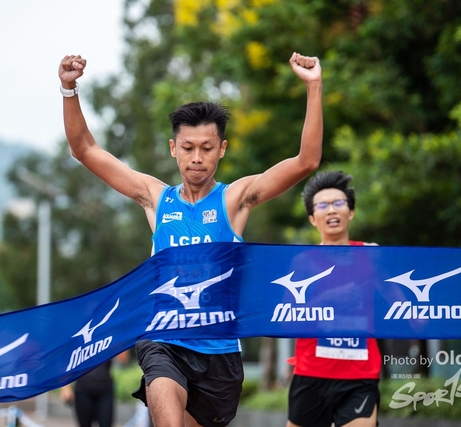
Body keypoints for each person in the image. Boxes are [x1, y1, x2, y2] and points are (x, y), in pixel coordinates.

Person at [58, 50, 323, 427]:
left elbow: (306, 162)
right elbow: (84, 149)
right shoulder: (155, 198)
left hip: (219, 353)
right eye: (187, 148)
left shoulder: (234, 199)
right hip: (163, 340)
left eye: (207, 148)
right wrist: (69, 90)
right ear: (173, 149)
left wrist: (313, 87)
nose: (197, 157)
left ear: (222, 149)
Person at [286, 170, 381, 427]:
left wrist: (418, 316)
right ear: (312, 218)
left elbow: (398, 299)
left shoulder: (373, 256)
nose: (331, 210)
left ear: (351, 212)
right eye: (322, 206)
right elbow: (287, 318)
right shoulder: (302, 262)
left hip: (360, 374)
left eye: (339, 203)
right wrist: (328, 299)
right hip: (311, 373)